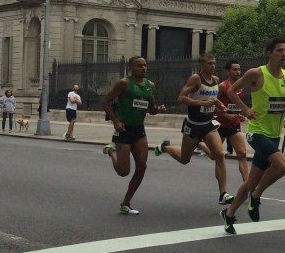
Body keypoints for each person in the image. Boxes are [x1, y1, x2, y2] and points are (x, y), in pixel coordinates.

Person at [219, 38, 285, 234]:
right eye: (279, 51)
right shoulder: (256, 73)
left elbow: (284, 108)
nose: (284, 54)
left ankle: (228, 215)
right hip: (257, 132)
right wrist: (245, 109)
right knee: (283, 165)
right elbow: (230, 91)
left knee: (250, 181)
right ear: (269, 53)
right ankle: (256, 196)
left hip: (274, 134)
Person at [157, 52, 234, 205]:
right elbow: (181, 98)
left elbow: (212, 99)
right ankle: (165, 147)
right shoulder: (195, 79)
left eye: (214, 63)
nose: (213, 66)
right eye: (209, 64)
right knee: (185, 159)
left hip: (208, 124)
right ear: (202, 65)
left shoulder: (216, 80)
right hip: (192, 125)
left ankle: (223, 193)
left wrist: (220, 107)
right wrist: (201, 103)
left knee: (219, 154)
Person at [100, 56, 166, 215]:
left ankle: (126, 203)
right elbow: (105, 102)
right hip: (124, 129)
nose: (144, 68)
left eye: (145, 65)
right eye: (140, 66)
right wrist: (115, 121)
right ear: (131, 68)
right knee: (123, 172)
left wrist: (158, 109)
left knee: (142, 166)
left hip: (139, 129)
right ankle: (111, 151)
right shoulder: (124, 83)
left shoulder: (150, 86)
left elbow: (151, 109)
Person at [216, 60, 249, 185]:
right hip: (220, 125)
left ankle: (248, 186)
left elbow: (236, 106)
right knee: (216, 156)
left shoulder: (242, 86)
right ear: (227, 71)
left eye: (239, 69)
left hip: (234, 125)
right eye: (234, 69)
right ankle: (201, 144)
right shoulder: (223, 86)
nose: (238, 72)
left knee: (242, 154)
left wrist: (239, 115)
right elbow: (211, 104)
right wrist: (225, 114)